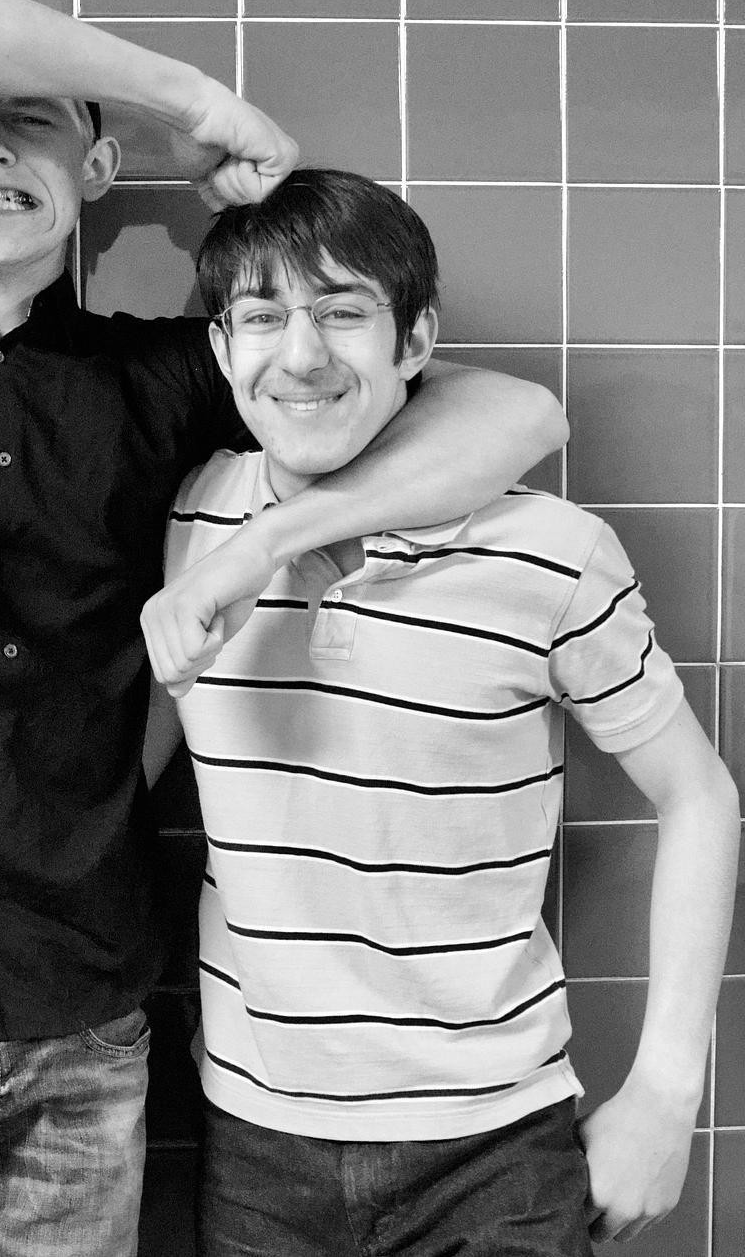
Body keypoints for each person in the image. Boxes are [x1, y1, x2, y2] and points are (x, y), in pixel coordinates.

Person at [0, 0, 566, 1256]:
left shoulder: (159, 379)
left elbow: (514, 414)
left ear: (97, 166)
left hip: (72, 1033)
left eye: (31, 117)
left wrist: (268, 544)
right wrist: (190, 99)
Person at [144, 168, 741, 1256]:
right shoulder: (185, 518)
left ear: (416, 340)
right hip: (255, 1147)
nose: (301, 354)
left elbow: (698, 795)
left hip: (497, 1149)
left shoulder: (550, 552)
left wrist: (665, 1092)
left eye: (343, 312)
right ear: (221, 349)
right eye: (263, 317)